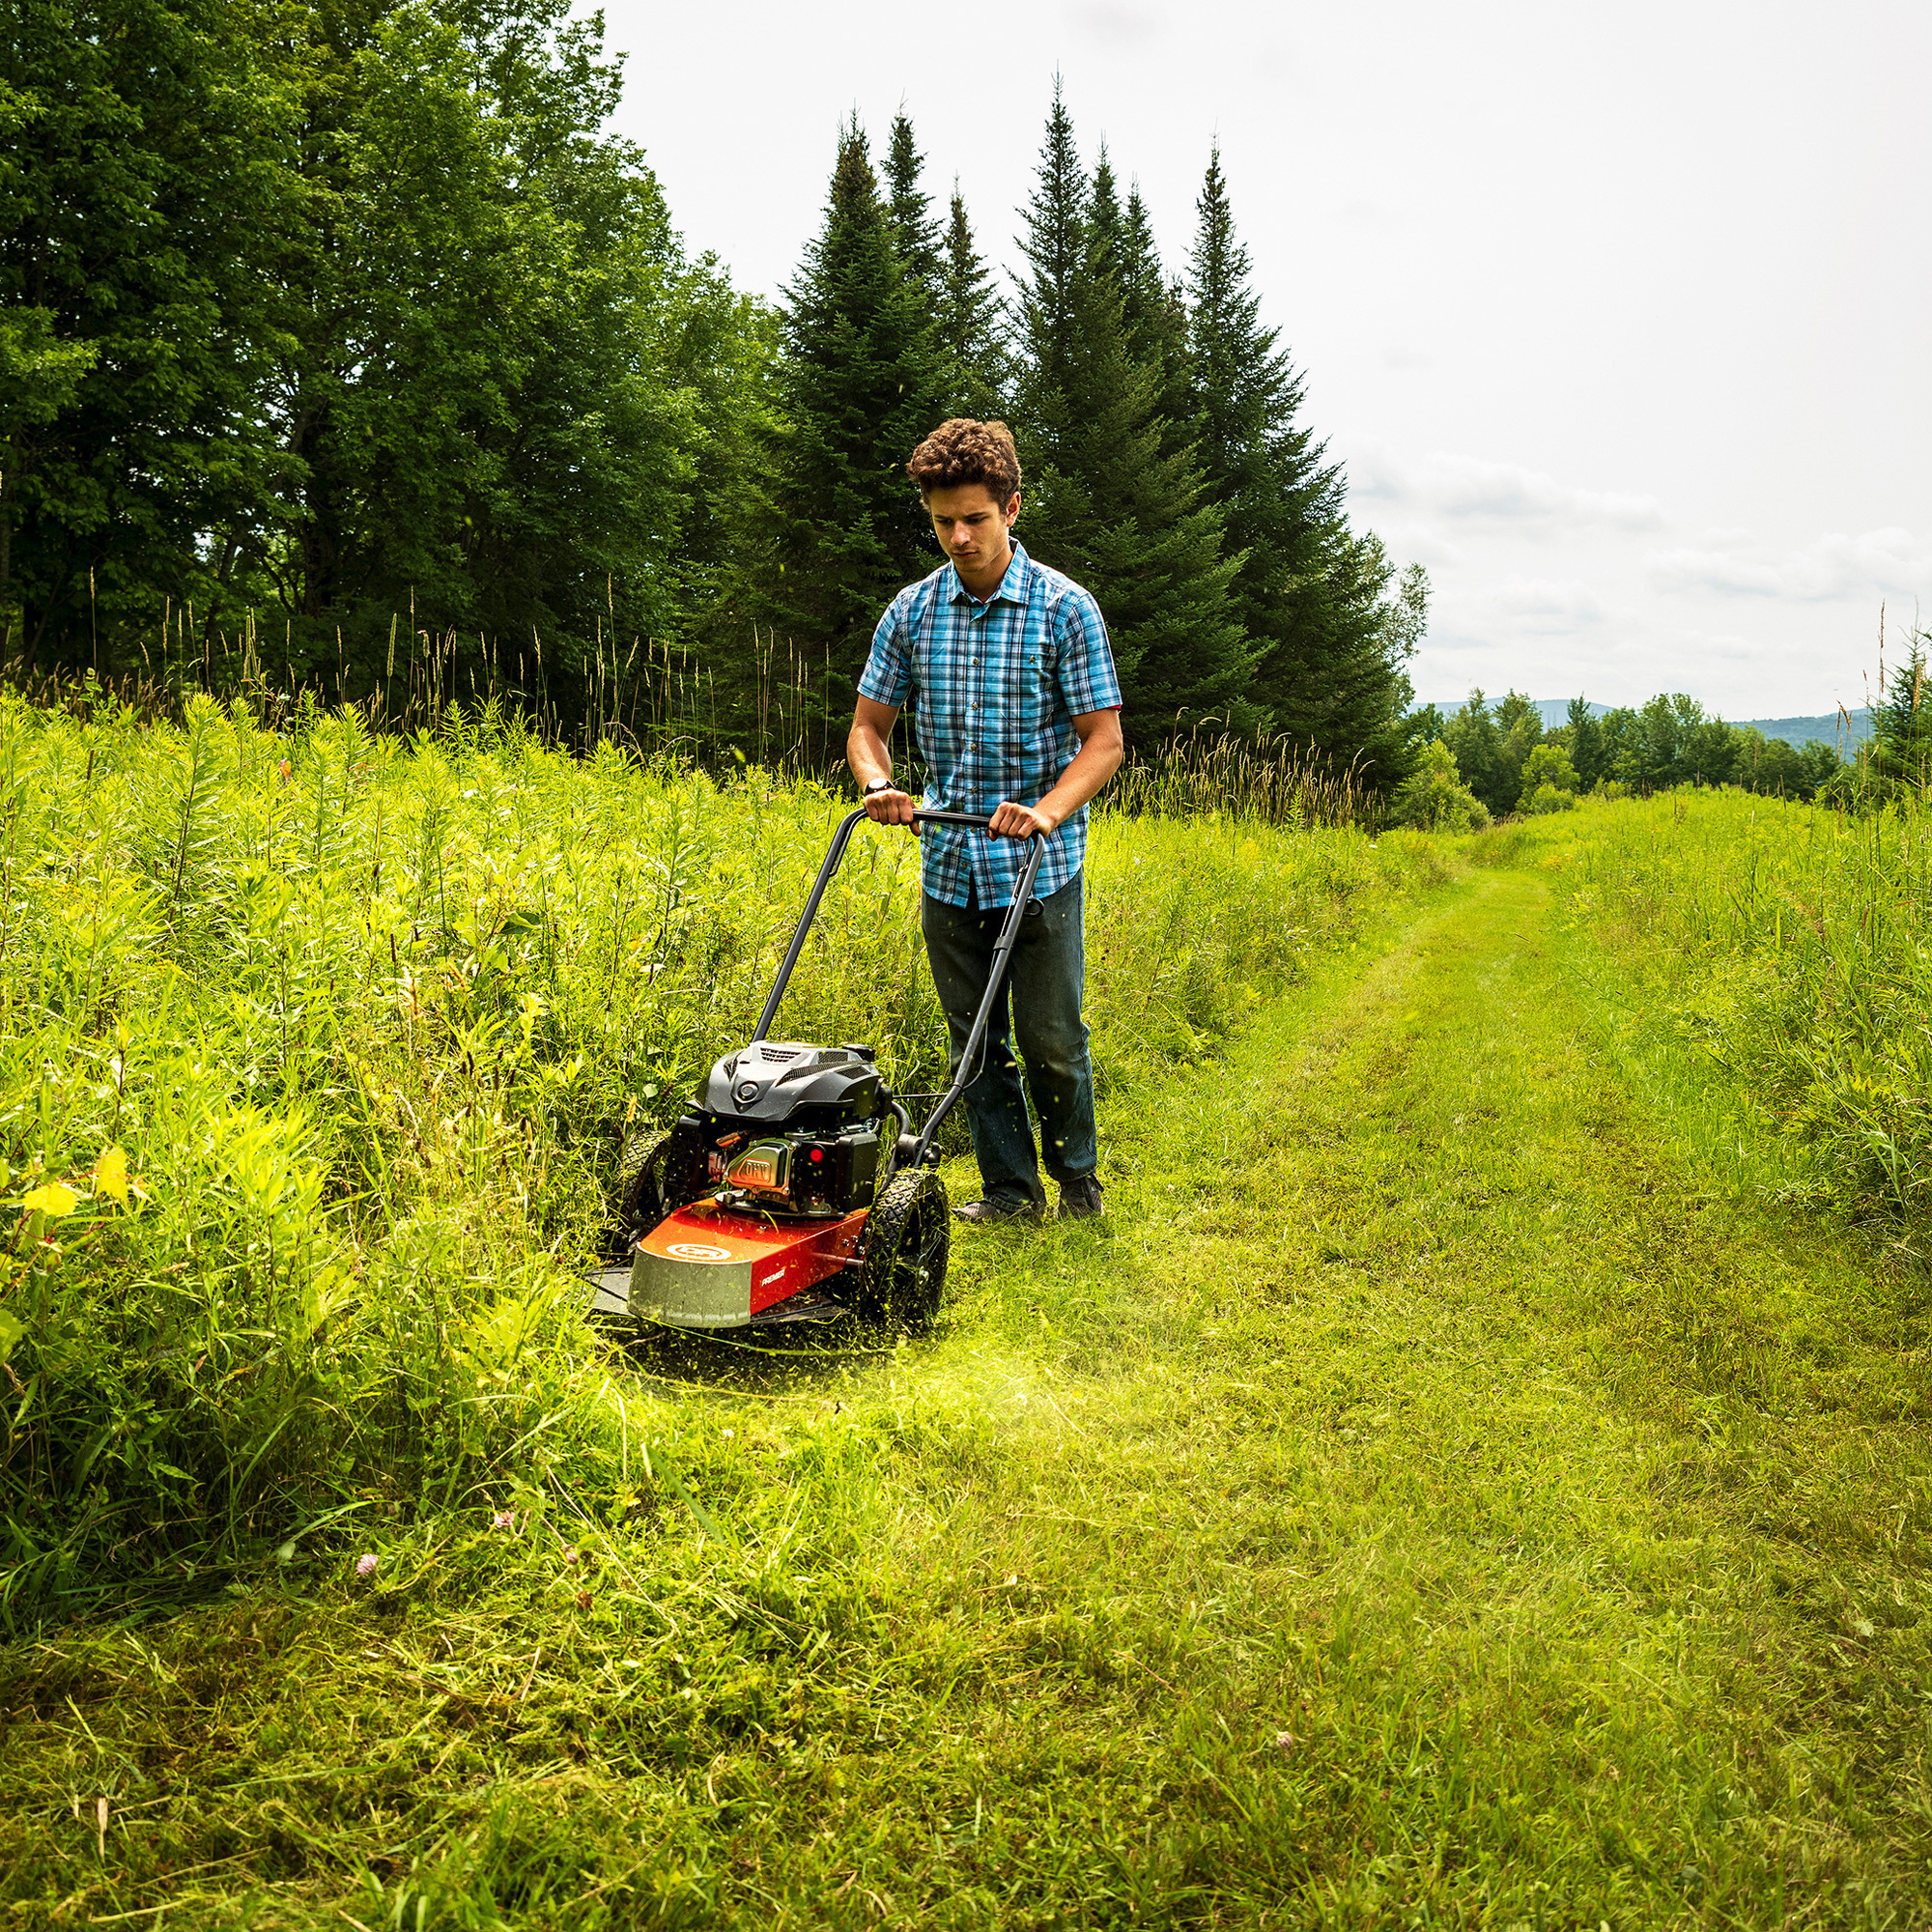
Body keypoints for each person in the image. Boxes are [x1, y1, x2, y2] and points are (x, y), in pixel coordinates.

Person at [846, 418, 1124, 1223]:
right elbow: (868, 728)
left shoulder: (1065, 609)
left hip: (1040, 866)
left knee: (1050, 1042)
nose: (959, 537)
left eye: (975, 518)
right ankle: (1009, 1194)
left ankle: (1078, 1182)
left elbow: (1103, 743)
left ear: (1011, 508)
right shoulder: (912, 612)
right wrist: (879, 784)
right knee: (975, 1050)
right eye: (943, 522)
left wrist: (1044, 811)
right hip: (951, 864)